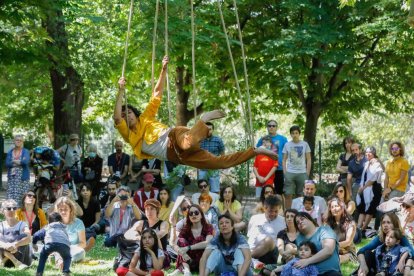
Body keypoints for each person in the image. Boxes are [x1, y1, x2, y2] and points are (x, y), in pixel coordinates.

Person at [114, 56, 277, 173]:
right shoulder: (129, 135)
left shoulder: (145, 118)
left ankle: (203, 120)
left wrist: (163, 70)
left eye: (128, 112)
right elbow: (116, 118)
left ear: (135, 113)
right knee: (220, 163)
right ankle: (255, 151)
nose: (127, 116)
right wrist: (120, 92)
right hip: (178, 157)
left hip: (174, 137)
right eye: (124, 115)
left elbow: (157, 94)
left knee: (187, 143)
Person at [169, 205, 214, 276]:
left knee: (200, 239)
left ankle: (181, 269)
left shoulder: (208, 227)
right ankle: (187, 271)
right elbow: (175, 243)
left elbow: (207, 243)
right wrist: (181, 251)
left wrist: (188, 248)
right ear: (189, 217)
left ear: (201, 215)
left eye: (196, 212)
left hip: (202, 261)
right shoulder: (186, 229)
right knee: (181, 241)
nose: (193, 215)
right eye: (191, 213)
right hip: (188, 260)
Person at [247, 195, 285, 265]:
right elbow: (250, 238)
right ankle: (253, 262)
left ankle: (246, 259)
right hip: (255, 250)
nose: (273, 214)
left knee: (268, 240)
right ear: (264, 208)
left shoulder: (283, 222)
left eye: (276, 211)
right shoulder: (255, 218)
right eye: (270, 211)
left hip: (271, 253)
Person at [256, 119, 288, 197]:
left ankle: (280, 209)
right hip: (266, 170)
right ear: (267, 127)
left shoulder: (283, 139)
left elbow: (287, 152)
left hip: (278, 168)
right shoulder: (263, 139)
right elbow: (256, 151)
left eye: (273, 126)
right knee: (265, 193)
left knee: (279, 193)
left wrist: (284, 162)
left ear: (276, 127)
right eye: (269, 126)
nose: (271, 127)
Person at [282, 125, 311, 209]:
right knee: (288, 194)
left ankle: (299, 213)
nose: (294, 135)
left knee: (301, 194)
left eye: (296, 133)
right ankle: (288, 213)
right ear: (290, 134)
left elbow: (309, 159)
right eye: (293, 133)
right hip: (290, 172)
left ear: (299, 134)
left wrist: (307, 173)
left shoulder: (305, 144)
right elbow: (284, 160)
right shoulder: (287, 145)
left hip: (302, 172)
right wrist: (285, 173)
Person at [356, 146, 383, 232]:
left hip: (374, 189)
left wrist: (363, 188)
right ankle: (358, 228)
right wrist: (362, 187)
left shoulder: (377, 164)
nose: (367, 154)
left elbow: (373, 179)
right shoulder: (366, 163)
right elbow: (364, 178)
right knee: (362, 208)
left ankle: (363, 229)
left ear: (374, 153)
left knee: (370, 210)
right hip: (365, 189)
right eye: (366, 152)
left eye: (370, 152)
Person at [0, 199, 32, 269]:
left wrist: (15, 245)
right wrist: (6, 246)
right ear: (2, 211)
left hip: (21, 258)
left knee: (24, 235)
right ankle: (14, 261)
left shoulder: (22, 224)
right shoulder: (1, 225)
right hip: (13, 262)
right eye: (8, 208)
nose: (12, 210)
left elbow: (29, 239)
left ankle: (6, 260)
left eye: (14, 208)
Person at [54, 196, 87, 263]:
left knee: (81, 252)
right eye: (60, 210)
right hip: (58, 250)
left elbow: (83, 243)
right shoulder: (54, 224)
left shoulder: (78, 223)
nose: (63, 212)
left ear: (70, 209)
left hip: (74, 250)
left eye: (65, 209)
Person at [326, 197, 357, 264]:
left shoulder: (351, 223)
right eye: (332, 207)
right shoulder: (328, 223)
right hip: (332, 250)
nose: (334, 209)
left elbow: (348, 242)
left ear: (342, 207)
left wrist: (332, 246)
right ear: (330, 210)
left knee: (334, 260)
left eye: (336, 206)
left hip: (347, 252)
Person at [198, 122, 225, 193]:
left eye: (210, 129)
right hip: (202, 169)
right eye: (206, 129)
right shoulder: (199, 140)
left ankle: (214, 204)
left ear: (213, 130)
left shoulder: (218, 140)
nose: (208, 131)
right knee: (202, 189)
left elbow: (223, 154)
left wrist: (222, 165)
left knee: (215, 191)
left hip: (214, 169)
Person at [6, 135, 31, 206]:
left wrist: (13, 161)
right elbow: (7, 163)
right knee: (11, 195)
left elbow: (25, 162)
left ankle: (21, 214)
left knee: (23, 196)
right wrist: (19, 162)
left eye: (20, 140)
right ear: (14, 141)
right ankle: (11, 212)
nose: (18, 141)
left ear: (22, 142)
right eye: (17, 140)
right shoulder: (10, 152)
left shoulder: (25, 151)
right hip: (12, 178)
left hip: (23, 179)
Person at [76, 183, 101, 251]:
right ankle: (86, 239)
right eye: (83, 190)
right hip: (81, 226)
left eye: (87, 190)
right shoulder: (77, 203)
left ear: (90, 192)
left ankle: (87, 237)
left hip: (92, 226)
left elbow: (97, 219)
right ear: (80, 192)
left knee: (97, 226)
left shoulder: (95, 202)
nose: (85, 192)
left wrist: (90, 227)